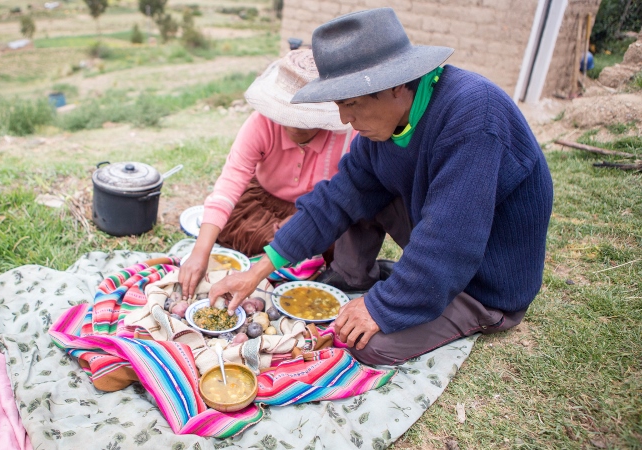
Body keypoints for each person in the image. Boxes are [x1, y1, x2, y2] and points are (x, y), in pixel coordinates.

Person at [209, 8, 554, 366]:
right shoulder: (382, 130)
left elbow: (451, 239)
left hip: (483, 281)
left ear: (394, 85)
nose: (344, 119)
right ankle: (353, 276)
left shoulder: (474, 118)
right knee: (360, 193)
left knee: (366, 343)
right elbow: (338, 198)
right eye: (339, 105)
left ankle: (416, 296)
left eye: (352, 103)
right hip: (446, 247)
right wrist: (258, 270)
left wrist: (380, 308)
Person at [178, 49, 355, 298]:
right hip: (261, 203)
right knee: (239, 232)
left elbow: (345, 194)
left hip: (318, 210)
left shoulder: (347, 136)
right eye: (287, 115)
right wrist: (199, 253)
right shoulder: (261, 124)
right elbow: (230, 182)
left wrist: (300, 222)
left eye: (305, 119)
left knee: (340, 243)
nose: (294, 125)